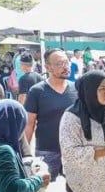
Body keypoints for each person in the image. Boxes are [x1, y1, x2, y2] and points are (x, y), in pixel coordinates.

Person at [24, 49, 78, 179]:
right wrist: (25, 154)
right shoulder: (37, 91)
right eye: (60, 64)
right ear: (48, 67)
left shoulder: (77, 89)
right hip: (46, 152)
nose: (66, 67)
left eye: (67, 62)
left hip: (73, 151)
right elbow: (29, 125)